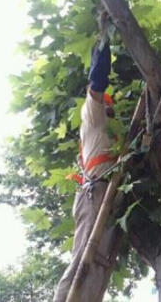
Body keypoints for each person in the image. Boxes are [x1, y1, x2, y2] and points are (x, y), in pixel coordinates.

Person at [53, 42, 118, 302]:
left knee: (99, 263)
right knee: (83, 257)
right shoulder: (93, 115)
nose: (112, 112)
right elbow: (97, 84)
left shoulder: (113, 135)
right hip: (94, 193)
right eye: (110, 108)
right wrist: (103, 50)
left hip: (106, 194)